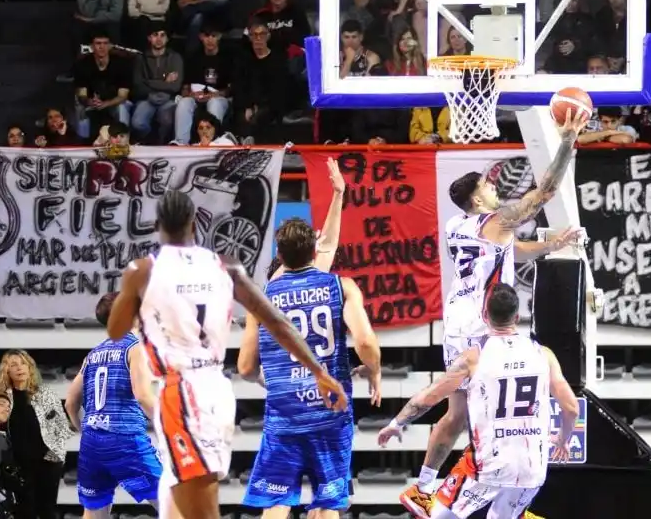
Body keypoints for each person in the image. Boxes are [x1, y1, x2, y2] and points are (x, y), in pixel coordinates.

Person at [105, 190, 348, 519]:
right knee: (173, 497)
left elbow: (116, 330)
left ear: (158, 224)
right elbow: (276, 322)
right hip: (216, 389)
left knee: (199, 507)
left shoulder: (144, 270)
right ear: (194, 223)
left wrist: (132, 289)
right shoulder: (226, 265)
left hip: (182, 391)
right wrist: (319, 372)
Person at [399, 110, 588, 519]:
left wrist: (552, 245)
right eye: (488, 184)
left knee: (460, 413)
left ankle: (426, 486)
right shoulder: (498, 219)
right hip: (482, 328)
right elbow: (546, 191)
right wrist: (568, 142)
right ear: (478, 199)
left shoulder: (457, 226)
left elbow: (509, 251)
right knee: (496, 410)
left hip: (456, 321)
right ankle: (478, 495)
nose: (493, 186)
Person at [379, 283, 580, 519]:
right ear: (517, 317)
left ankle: (423, 490)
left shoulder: (473, 358)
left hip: (488, 466)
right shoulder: (543, 354)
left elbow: (427, 398)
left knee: (439, 516)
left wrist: (396, 423)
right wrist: (563, 439)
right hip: (532, 469)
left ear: (485, 316)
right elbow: (572, 408)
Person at [237, 216, 382, 519]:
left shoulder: (261, 299)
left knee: (276, 502)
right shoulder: (341, 287)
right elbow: (366, 342)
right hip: (329, 410)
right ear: (315, 252)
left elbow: (246, 367)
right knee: (328, 501)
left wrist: (269, 381)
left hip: (285, 414)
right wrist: (375, 371)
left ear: (278, 254)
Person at [63, 293, 165, 518]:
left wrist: (85, 430)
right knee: (177, 507)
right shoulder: (136, 347)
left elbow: (71, 401)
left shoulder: (93, 354)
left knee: (94, 513)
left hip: (91, 444)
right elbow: (143, 396)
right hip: (125, 441)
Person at [0, 349, 70, 519]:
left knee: (47, 511)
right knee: (24, 512)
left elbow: (62, 427)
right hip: (18, 466)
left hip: (47, 464)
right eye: (14, 365)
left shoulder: (46, 394)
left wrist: (55, 455)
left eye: (23, 363)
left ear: (30, 368)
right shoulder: (0, 397)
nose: (20, 368)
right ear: (7, 371)